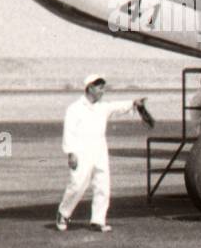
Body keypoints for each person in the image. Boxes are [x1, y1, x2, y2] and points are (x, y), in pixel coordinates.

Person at [56, 73, 146, 232]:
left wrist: (133, 103)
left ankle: (98, 220)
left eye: (103, 87)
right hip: (81, 150)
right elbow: (68, 131)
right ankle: (63, 213)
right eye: (100, 87)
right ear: (90, 88)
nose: (103, 91)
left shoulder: (102, 107)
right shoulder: (75, 108)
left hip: (99, 149)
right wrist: (70, 152)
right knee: (77, 184)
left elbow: (118, 107)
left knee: (102, 185)